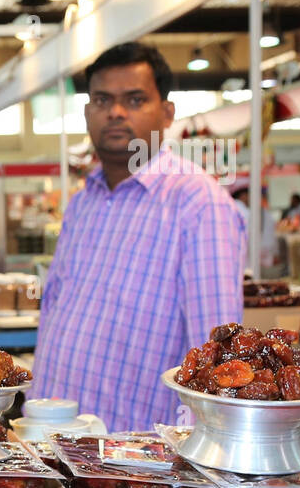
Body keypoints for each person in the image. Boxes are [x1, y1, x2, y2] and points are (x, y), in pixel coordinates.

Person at [31, 42, 246, 431]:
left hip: (137, 463)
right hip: (56, 444)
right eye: (102, 100)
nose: (115, 112)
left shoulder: (198, 205)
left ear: (166, 114)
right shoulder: (83, 204)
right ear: (86, 112)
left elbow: (218, 360)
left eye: (134, 99)